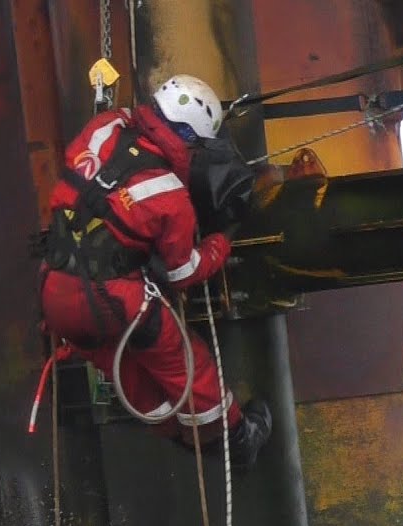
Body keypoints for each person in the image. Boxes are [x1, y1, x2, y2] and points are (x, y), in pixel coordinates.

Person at [38, 74, 271, 470]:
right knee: (185, 360)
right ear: (191, 138)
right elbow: (184, 272)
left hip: (53, 290)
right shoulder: (169, 194)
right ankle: (234, 439)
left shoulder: (104, 127)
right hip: (110, 300)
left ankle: (175, 433)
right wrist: (220, 243)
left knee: (123, 364)